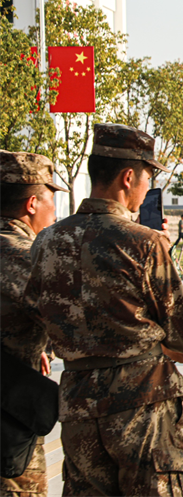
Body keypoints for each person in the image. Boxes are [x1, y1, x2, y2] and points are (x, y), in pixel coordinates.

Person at [25, 123, 183, 496]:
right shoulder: (143, 243)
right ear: (127, 176)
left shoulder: (47, 241)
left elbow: (39, 313)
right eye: (148, 177)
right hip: (140, 407)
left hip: (77, 404)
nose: (147, 188)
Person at [0, 151, 67, 497]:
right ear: (31, 204)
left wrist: (34, 343)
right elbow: (77, 323)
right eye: (51, 201)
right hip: (8, 427)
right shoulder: (22, 256)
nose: (53, 212)